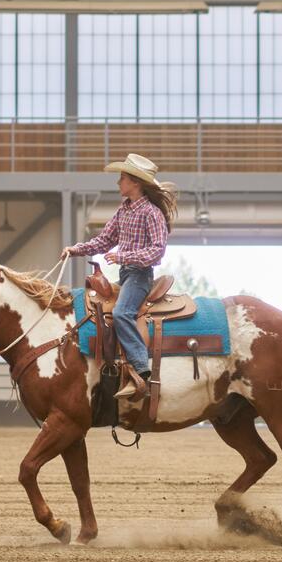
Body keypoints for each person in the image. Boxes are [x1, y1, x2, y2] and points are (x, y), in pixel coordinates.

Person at [61, 153, 176, 410]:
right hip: (126, 275)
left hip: (139, 276)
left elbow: (157, 251)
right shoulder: (123, 210)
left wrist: (124, 255)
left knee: (123, 312)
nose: (118, 183)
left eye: (122, 178)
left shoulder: (151, 213)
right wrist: (75, 249)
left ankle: (141, 369)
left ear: (135, 182)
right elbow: (103, 240)